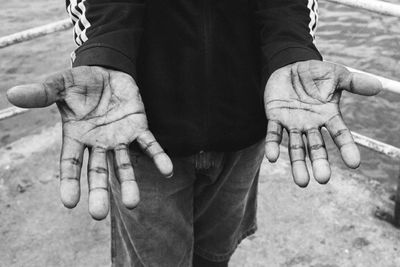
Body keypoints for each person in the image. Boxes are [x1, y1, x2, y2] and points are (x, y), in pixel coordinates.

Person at [6, 0, 382, 266]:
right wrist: (105, 53)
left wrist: (292, 49)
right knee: (153, 261)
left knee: (216, 254)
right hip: (141, 129)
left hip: (246, 121)